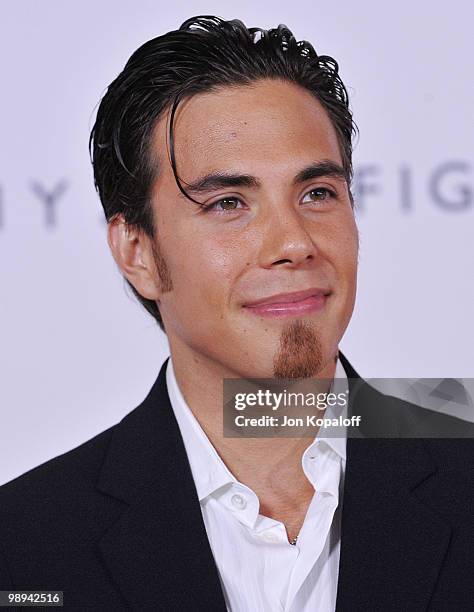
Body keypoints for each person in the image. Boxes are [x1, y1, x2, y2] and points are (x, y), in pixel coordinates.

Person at [0, 15, 473, 611]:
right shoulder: (22, 546)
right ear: (138, 252)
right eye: (228, 203)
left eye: (317, 193)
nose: (293, 242)